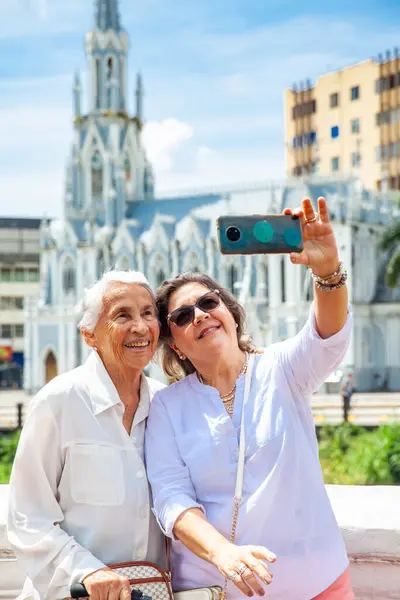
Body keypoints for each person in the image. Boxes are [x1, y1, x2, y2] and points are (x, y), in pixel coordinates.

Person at [145, 198, 355, 600]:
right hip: (218, 588)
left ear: (229, 310)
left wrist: (327, 270)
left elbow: (327, 337)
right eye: (183, 316)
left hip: (318, 583)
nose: (201, 315)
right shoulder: (168, 408)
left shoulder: (282, 369)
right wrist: (221, 552)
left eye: (208, 302)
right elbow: (172, 498)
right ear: (176, 345)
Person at [8, 271, 165, 600]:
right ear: (90, 335)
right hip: (72, 593)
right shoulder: (59, 402)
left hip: (152, 591)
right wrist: (85, 569)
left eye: (148, 313)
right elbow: (26, 517)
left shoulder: (166, 406)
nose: (140, 326)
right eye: (122, 315)